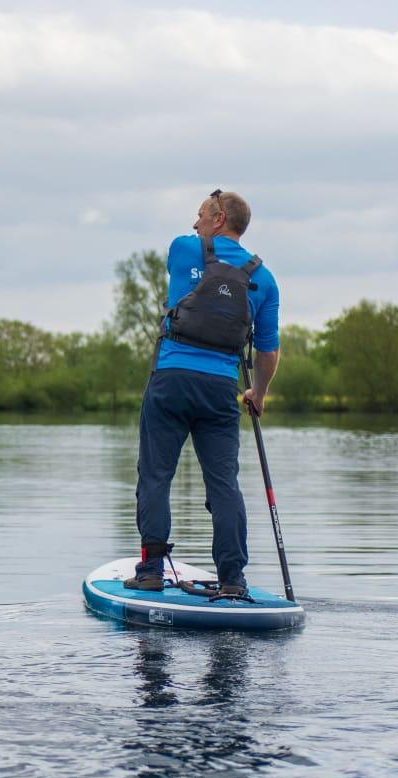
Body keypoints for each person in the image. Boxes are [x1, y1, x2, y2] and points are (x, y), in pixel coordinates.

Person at [127, 189, 281, 599]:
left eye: (199, 215)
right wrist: (258, 394)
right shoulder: (264, 279)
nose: (193, 224)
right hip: (219, 390)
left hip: (171, 380)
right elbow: (268, 350)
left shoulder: (181, 249)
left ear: (217, 220)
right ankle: (233, 579)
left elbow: (190, 263)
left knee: (156, 476)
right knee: (224, 485)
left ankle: (151, 572)